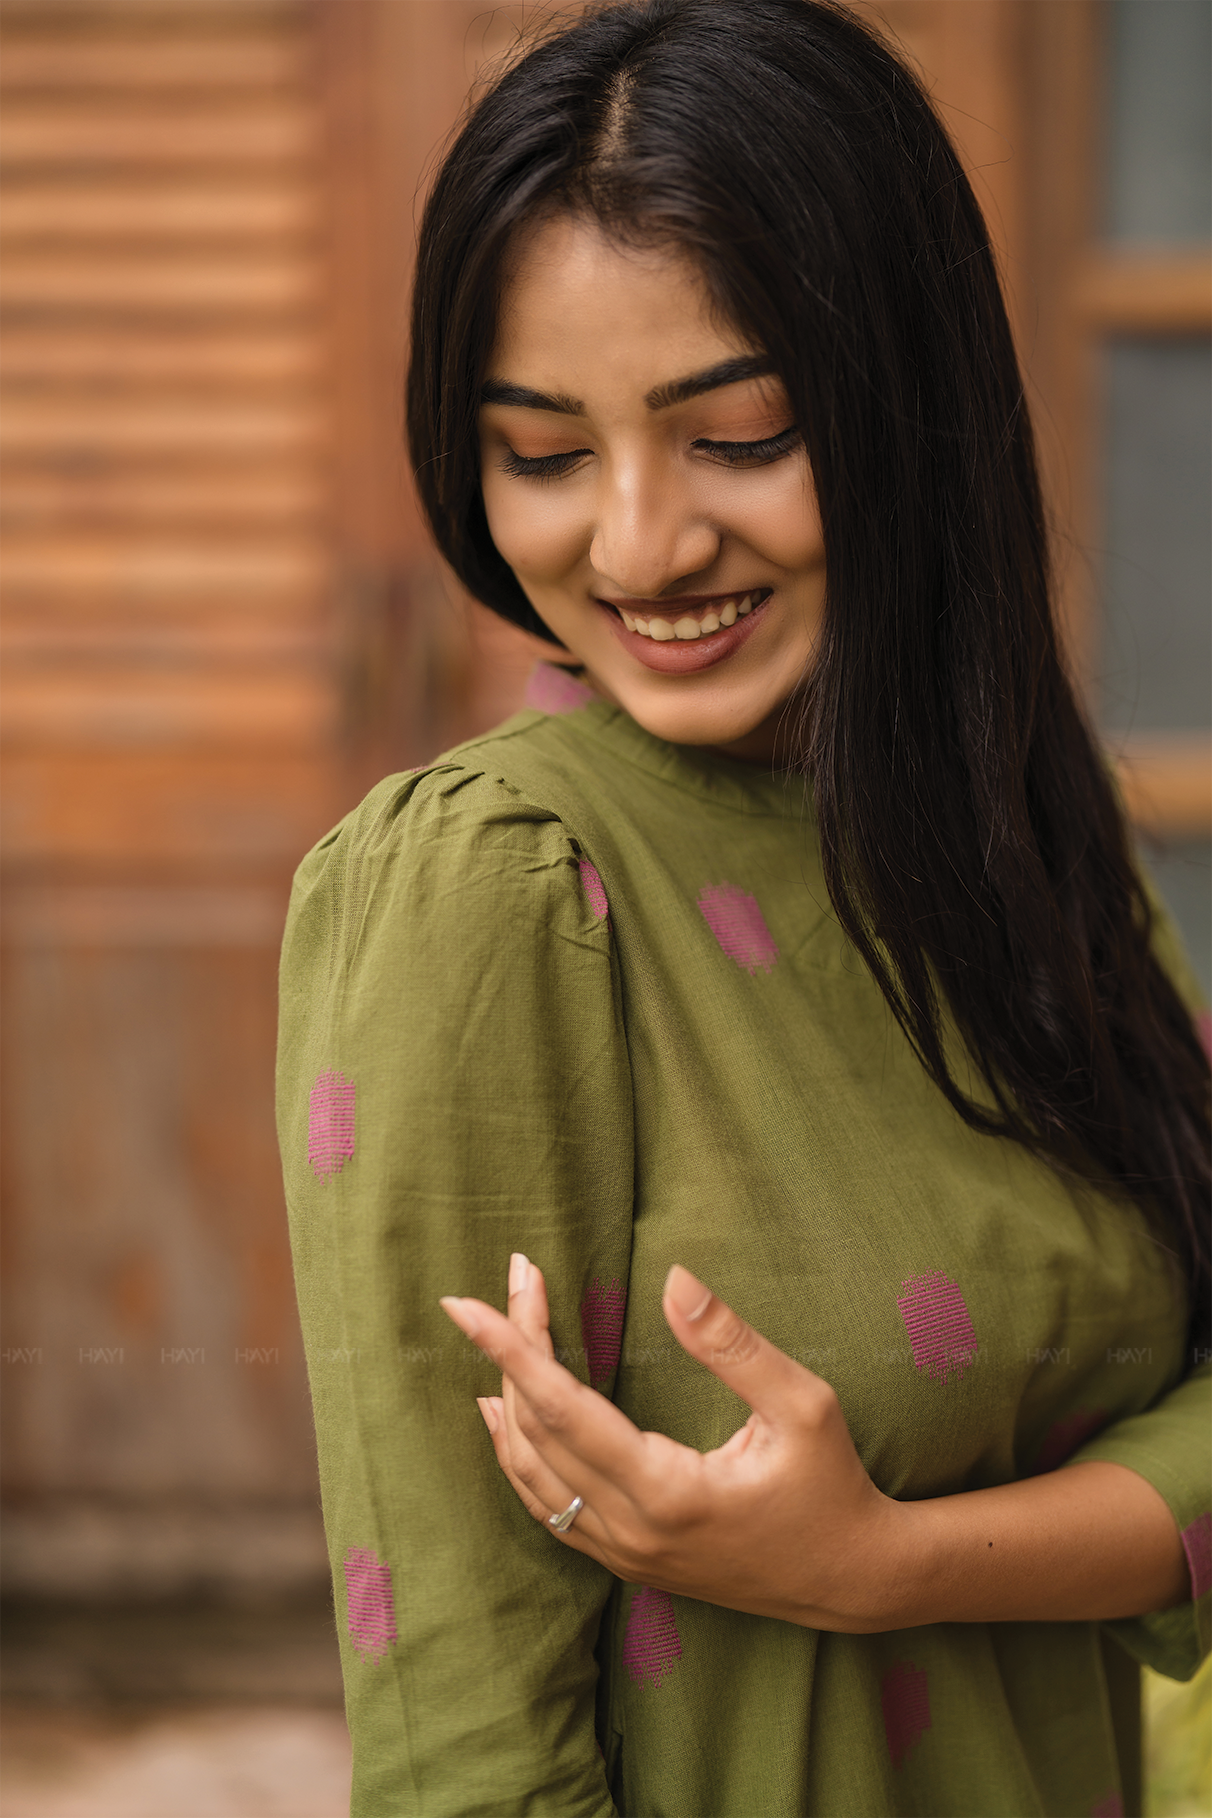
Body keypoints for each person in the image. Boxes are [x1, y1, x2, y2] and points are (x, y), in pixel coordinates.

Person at [276, 2, 1211, 1812]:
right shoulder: (490, 889)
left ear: (907, 407)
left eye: (741, 433)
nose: (636, 545)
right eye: (543, 454)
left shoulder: (1024, 821)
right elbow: (462, 1731)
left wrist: (884, 1565)